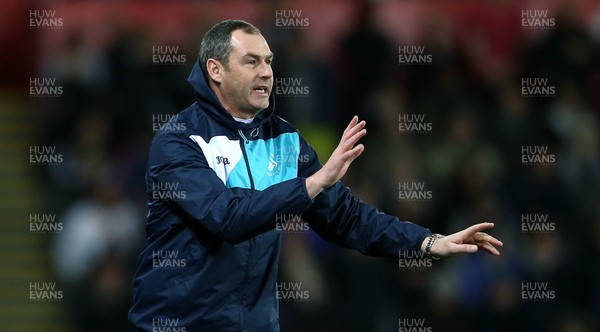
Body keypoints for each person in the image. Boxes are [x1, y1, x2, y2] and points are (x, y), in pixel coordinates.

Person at [128, 19, 503, 331]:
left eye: (269, 61)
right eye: (251, 61)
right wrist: (312, 183)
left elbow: (347, 218)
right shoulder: (179, 140)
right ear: (215, 69)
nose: (266, 72)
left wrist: (426, 243)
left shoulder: (284, 140)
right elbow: (226, 218)